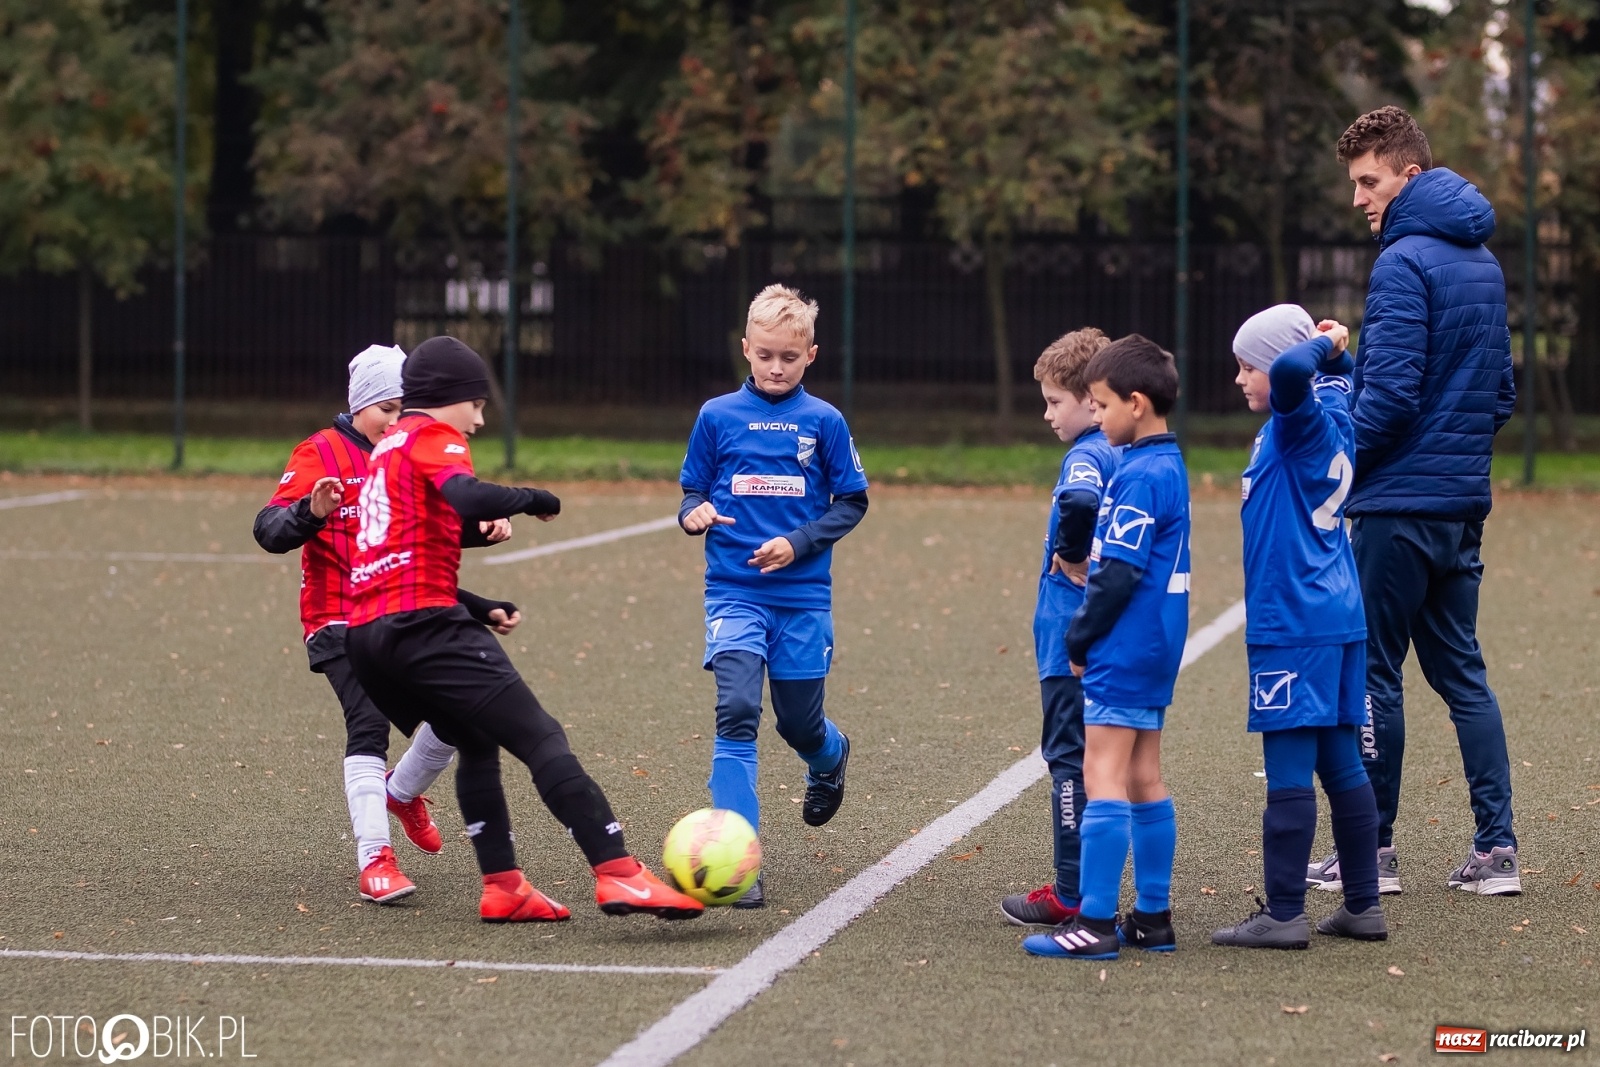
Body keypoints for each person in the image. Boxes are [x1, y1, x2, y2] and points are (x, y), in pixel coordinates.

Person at [343, 335, 703, 922]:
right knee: (540, 736)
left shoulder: (384, 452)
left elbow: (390, 555)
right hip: (421, 628)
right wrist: (531, 497)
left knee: (477, 741)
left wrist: (475, 607)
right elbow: (465, 494)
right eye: (476, 404)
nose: (480, 419)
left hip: (368, 636)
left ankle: (504, 885)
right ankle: (618, 872)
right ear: (444, 400)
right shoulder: (433, 436)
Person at [1308, 106, 1520, 898]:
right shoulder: (1483, 262)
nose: (1360, 198)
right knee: (1463, 672)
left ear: (1411, 175)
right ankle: (1497, 852)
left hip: (1398, 510)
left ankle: (1373, 855)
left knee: (1372, 673)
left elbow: (1392, 401)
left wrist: (1336, 460)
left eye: (1369, 181)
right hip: (1461, 502)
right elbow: (1496, 392)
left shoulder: (1402, 262)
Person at [678, 284, 869, 909]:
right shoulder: (715, 416)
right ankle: (740, 859)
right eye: (765, 356)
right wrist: (694, 515)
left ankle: (830, 755)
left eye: (789, 357)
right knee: (736, 710)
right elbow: (690, 495)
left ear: (810, 355)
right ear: (746, 350)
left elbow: (852, 501)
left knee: (797, 722)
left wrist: (798, 542)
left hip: (802, 598)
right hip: (733, 592)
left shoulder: (825, 423)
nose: (776, 367)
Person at [254, 344, 458, 905]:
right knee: (367, 721)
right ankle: (375, 858)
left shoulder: (410, 451)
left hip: (399, 612)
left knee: (460, 711)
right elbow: (269, 530)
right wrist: (310, 512)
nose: (397, 421)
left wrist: (480, 526)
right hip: (336, 619)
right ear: (362, 403)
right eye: (387, 408)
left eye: (405, 409)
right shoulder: (319, 452)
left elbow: (429, 525)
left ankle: (403, 792)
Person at [1211, 305, 1387, 950]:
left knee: (1288, 763)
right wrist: (1337, 356)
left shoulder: (1300, 421)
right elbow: (1341, 374)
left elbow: (1290, 370)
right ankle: (1362, 906)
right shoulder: (1337, 405)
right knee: (1342, 763)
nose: (1240, 379)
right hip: (1337, 612)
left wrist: (1323, 342)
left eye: (1245, 365)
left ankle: (1284, 913)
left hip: (1295, 618)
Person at [1022, 335, 1189, 961]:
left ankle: (1091, 922)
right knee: (1145, 775)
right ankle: (1153, 917)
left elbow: (1116, 572)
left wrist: (1081, 634)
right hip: (1160, 641)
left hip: (1125, 642)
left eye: (1102, 405)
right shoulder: (1170, 465)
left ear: (1136, 404)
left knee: (1102, 772)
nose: (1096, 417)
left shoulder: (1142, 475)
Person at [999, 328, 1120, 928]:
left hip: (1070, 636)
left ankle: (1072, 892)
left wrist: (1071, 553)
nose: (1046, 413)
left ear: (1090, 400)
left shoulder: (1087, 453)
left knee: (1068, 760)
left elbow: (1077, 503)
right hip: (1113, 632)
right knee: (1115, 762)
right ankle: (1114, 891)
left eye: (1054, 401)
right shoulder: (1128, 448)